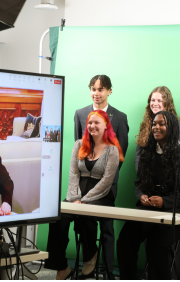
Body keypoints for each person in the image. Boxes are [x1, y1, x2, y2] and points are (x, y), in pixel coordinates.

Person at [116, 111, 180, 280]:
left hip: (174, 212)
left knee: (156, 247)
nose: (156, 127)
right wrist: (141, 195)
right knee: (125, 241)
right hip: (146, 211)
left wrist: (165, 201)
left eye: (161, 124)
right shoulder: (146, 154)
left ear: (171, 127)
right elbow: (138, 184)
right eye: (154, 124)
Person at [45, 110, 124, 280]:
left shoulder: (112, 149)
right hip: (77, 194)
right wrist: (75, 199)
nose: (92, 126)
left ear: (105, 126)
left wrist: (85, 201)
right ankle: (61, 265)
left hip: (101, 196)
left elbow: (107, 181)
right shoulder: (79, 144)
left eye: (96, 123)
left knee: (86, 215)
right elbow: (73, 174)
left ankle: (90, 255)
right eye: (90, 123)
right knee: (58, 216)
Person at [73, 75, 129, 277]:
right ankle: (89, 260)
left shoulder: (120, 117)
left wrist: (106, 179)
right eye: (93, 89)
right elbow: (79, 150)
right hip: (83, 183)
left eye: (101, 89)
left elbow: (120, 154)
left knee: (107, 228)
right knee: (81, 221)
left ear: (109, 91)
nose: (97, 93)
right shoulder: (80, 114)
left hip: (107, 183)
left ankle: (107, 271)